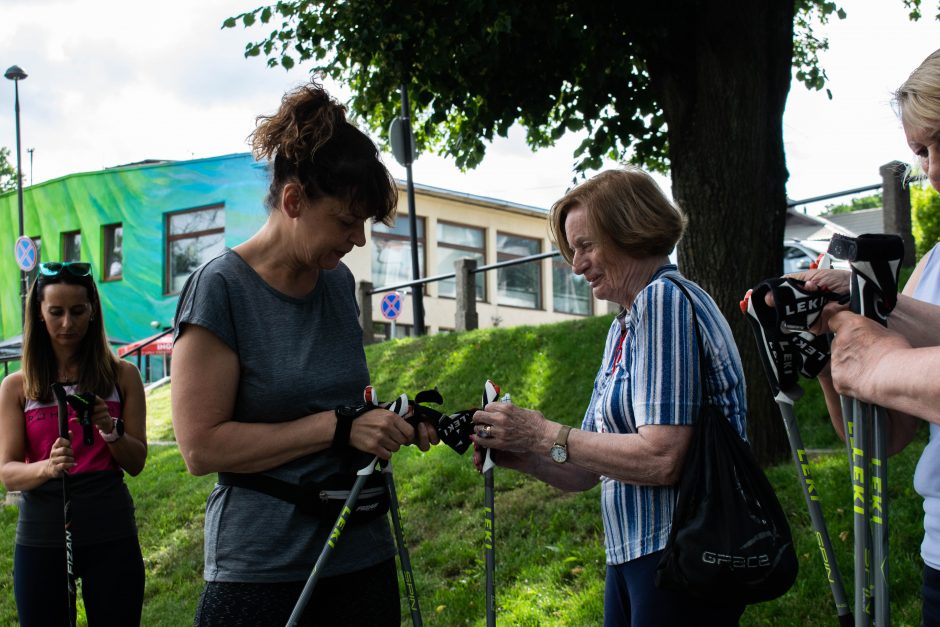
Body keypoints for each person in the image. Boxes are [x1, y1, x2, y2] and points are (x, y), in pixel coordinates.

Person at [171, 80, 437, 627]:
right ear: (293, 201)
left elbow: (342, 405)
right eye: (345, 221)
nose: (358, 241)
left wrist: (391, 422)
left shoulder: (336, 284)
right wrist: (338, 426)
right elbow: (200, 448)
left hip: (361, 553)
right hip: (266, 571)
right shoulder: (220, 289)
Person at [471, 167, 749, 626]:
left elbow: (662, 459)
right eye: (571, 250)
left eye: (585, 246)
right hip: (635, 555)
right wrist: (520, 451)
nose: (576, 265)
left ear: (631, 231)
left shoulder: (664, 302)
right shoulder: (624, 325)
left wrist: (541, 432)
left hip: (679, 553)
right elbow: (585, 469)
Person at [791, 47, 940, 624]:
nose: (931, 169)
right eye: (921, 151)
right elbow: (884, 440)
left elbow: (892, 369)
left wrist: (877, 362)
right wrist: (833, 346)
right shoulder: (932, 271)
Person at [0, 261, 148, 626]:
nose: (67, 324)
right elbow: (8, 473)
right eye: (56, 312)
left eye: (78, 311)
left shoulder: (123, 376)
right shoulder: (17, 386)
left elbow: (137, 461)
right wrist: (46, 467)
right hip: (42, 531)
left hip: (110, 526)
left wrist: (110, 430)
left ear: (93, 311)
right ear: (39, 314)